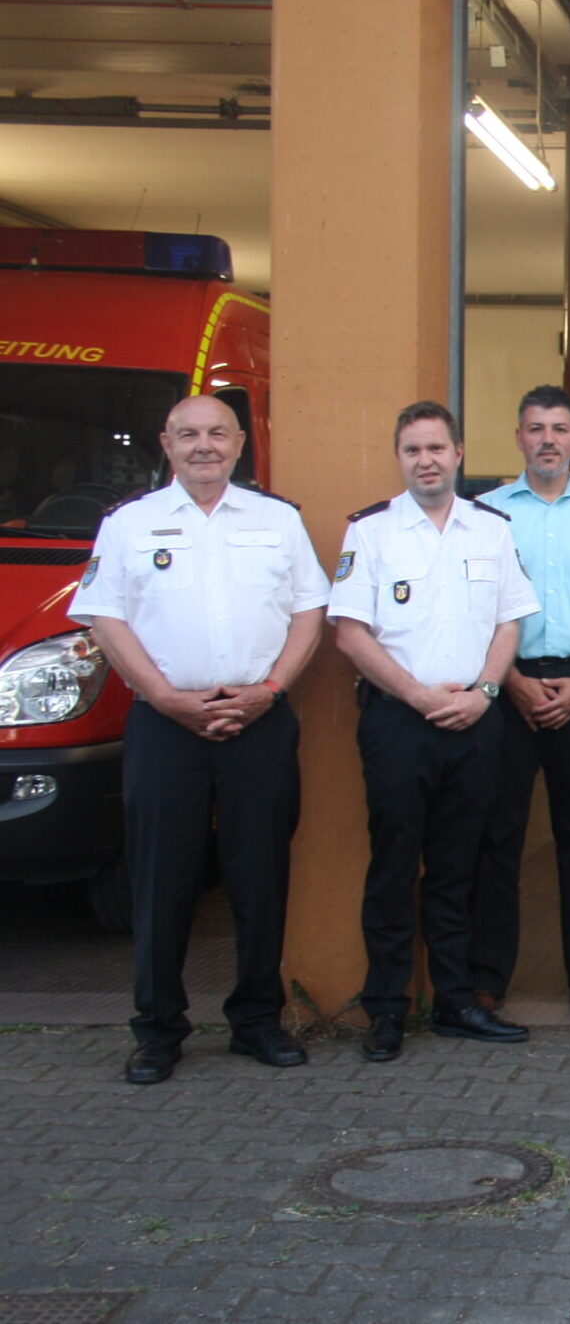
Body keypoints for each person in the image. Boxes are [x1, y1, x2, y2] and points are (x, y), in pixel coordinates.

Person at [72, 395, 328, 1084]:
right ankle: (158, 1030)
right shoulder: (129, 523)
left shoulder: (277, 521)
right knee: (161, 880)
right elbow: (102, 616)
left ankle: (257, 1022)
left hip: (260, 723)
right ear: (166, 443)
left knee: (258, 877)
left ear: (239, 443)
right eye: (188, 435)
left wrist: (270, 690)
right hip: (165, 727)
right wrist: (164, 697)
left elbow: (310, 610)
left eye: (217, 433)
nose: (203, 445)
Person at [330, 400, 540, 1059]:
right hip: (400, 721)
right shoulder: (370, 533)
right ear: (400, 458)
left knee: (458, 870)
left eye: (436, 449)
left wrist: (483, 692)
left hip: (476, 720)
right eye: (413, 450)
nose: (426, 461)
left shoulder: (491, 528)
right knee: (394, 866)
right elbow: (350, 632)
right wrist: (418, 695)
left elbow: (510, 621)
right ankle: (386, 1008)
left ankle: (454, 1002)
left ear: (459, 454)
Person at [474, 386, 570, 1014]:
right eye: (535, 428)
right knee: (498, 836)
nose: (547, 440)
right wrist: (510, 681)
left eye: (559, 429)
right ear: (518, 438)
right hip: (504, 685)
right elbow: (472, 611)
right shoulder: (483, 514)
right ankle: (487, 978)